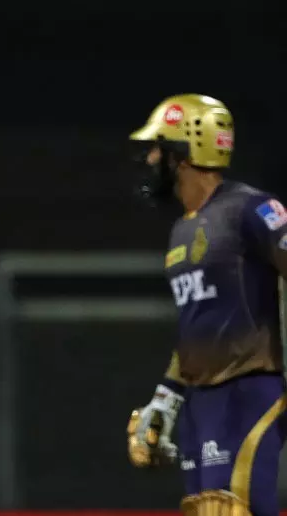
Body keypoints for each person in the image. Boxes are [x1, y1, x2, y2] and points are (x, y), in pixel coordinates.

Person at [125, 94, 287, 516]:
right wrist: (165, 401)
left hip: (249, 393)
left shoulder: (251, 210)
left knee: (235, 511)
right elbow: (197, 329)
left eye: (158, 148)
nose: (151, 159)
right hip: (201, 404)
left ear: (184, 152)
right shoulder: (181, 231)